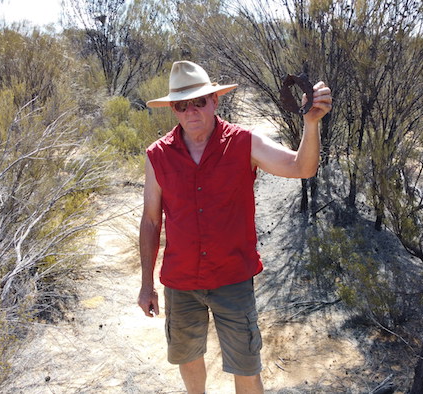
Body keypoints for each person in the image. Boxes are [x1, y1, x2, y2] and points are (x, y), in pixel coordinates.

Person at [137, 60, 332, 394]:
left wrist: (311, 124)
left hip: (232, 279)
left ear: (215, 101)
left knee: (246, 365)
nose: (191, 110)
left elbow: (302, 167)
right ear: (174, 109)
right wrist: (145, 285)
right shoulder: (158, 155)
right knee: (188, 356)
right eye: (182, 105)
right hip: (180, 280)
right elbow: (152, 221)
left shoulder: (244, 142)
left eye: (199, 101)